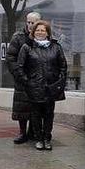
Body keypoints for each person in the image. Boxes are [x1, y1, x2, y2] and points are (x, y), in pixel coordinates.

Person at [16, 21, 67, 151]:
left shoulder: (56, 47)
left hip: (51, 87)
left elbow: (63, 66)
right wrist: (27, 82)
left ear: (48, 33)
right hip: (34, 87)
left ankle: (47, 139)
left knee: (49, 114)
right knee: (36, 114)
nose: (40, 32)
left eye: (43, 30)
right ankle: (38, 139)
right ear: (33, 32)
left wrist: (59, 81)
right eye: (37, 30)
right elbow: (20, 68)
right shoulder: (27, 47)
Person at [5, 12, 41, 144]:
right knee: (22, 106)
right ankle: (22, 132)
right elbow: (10, 58)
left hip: (37, 79)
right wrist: (19, 74)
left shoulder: (42, 36)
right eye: (28, 22)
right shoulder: (18, 37)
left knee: (36, 106)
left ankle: (34, 131)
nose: (30, 25)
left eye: (33, 22)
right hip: (22, 78)